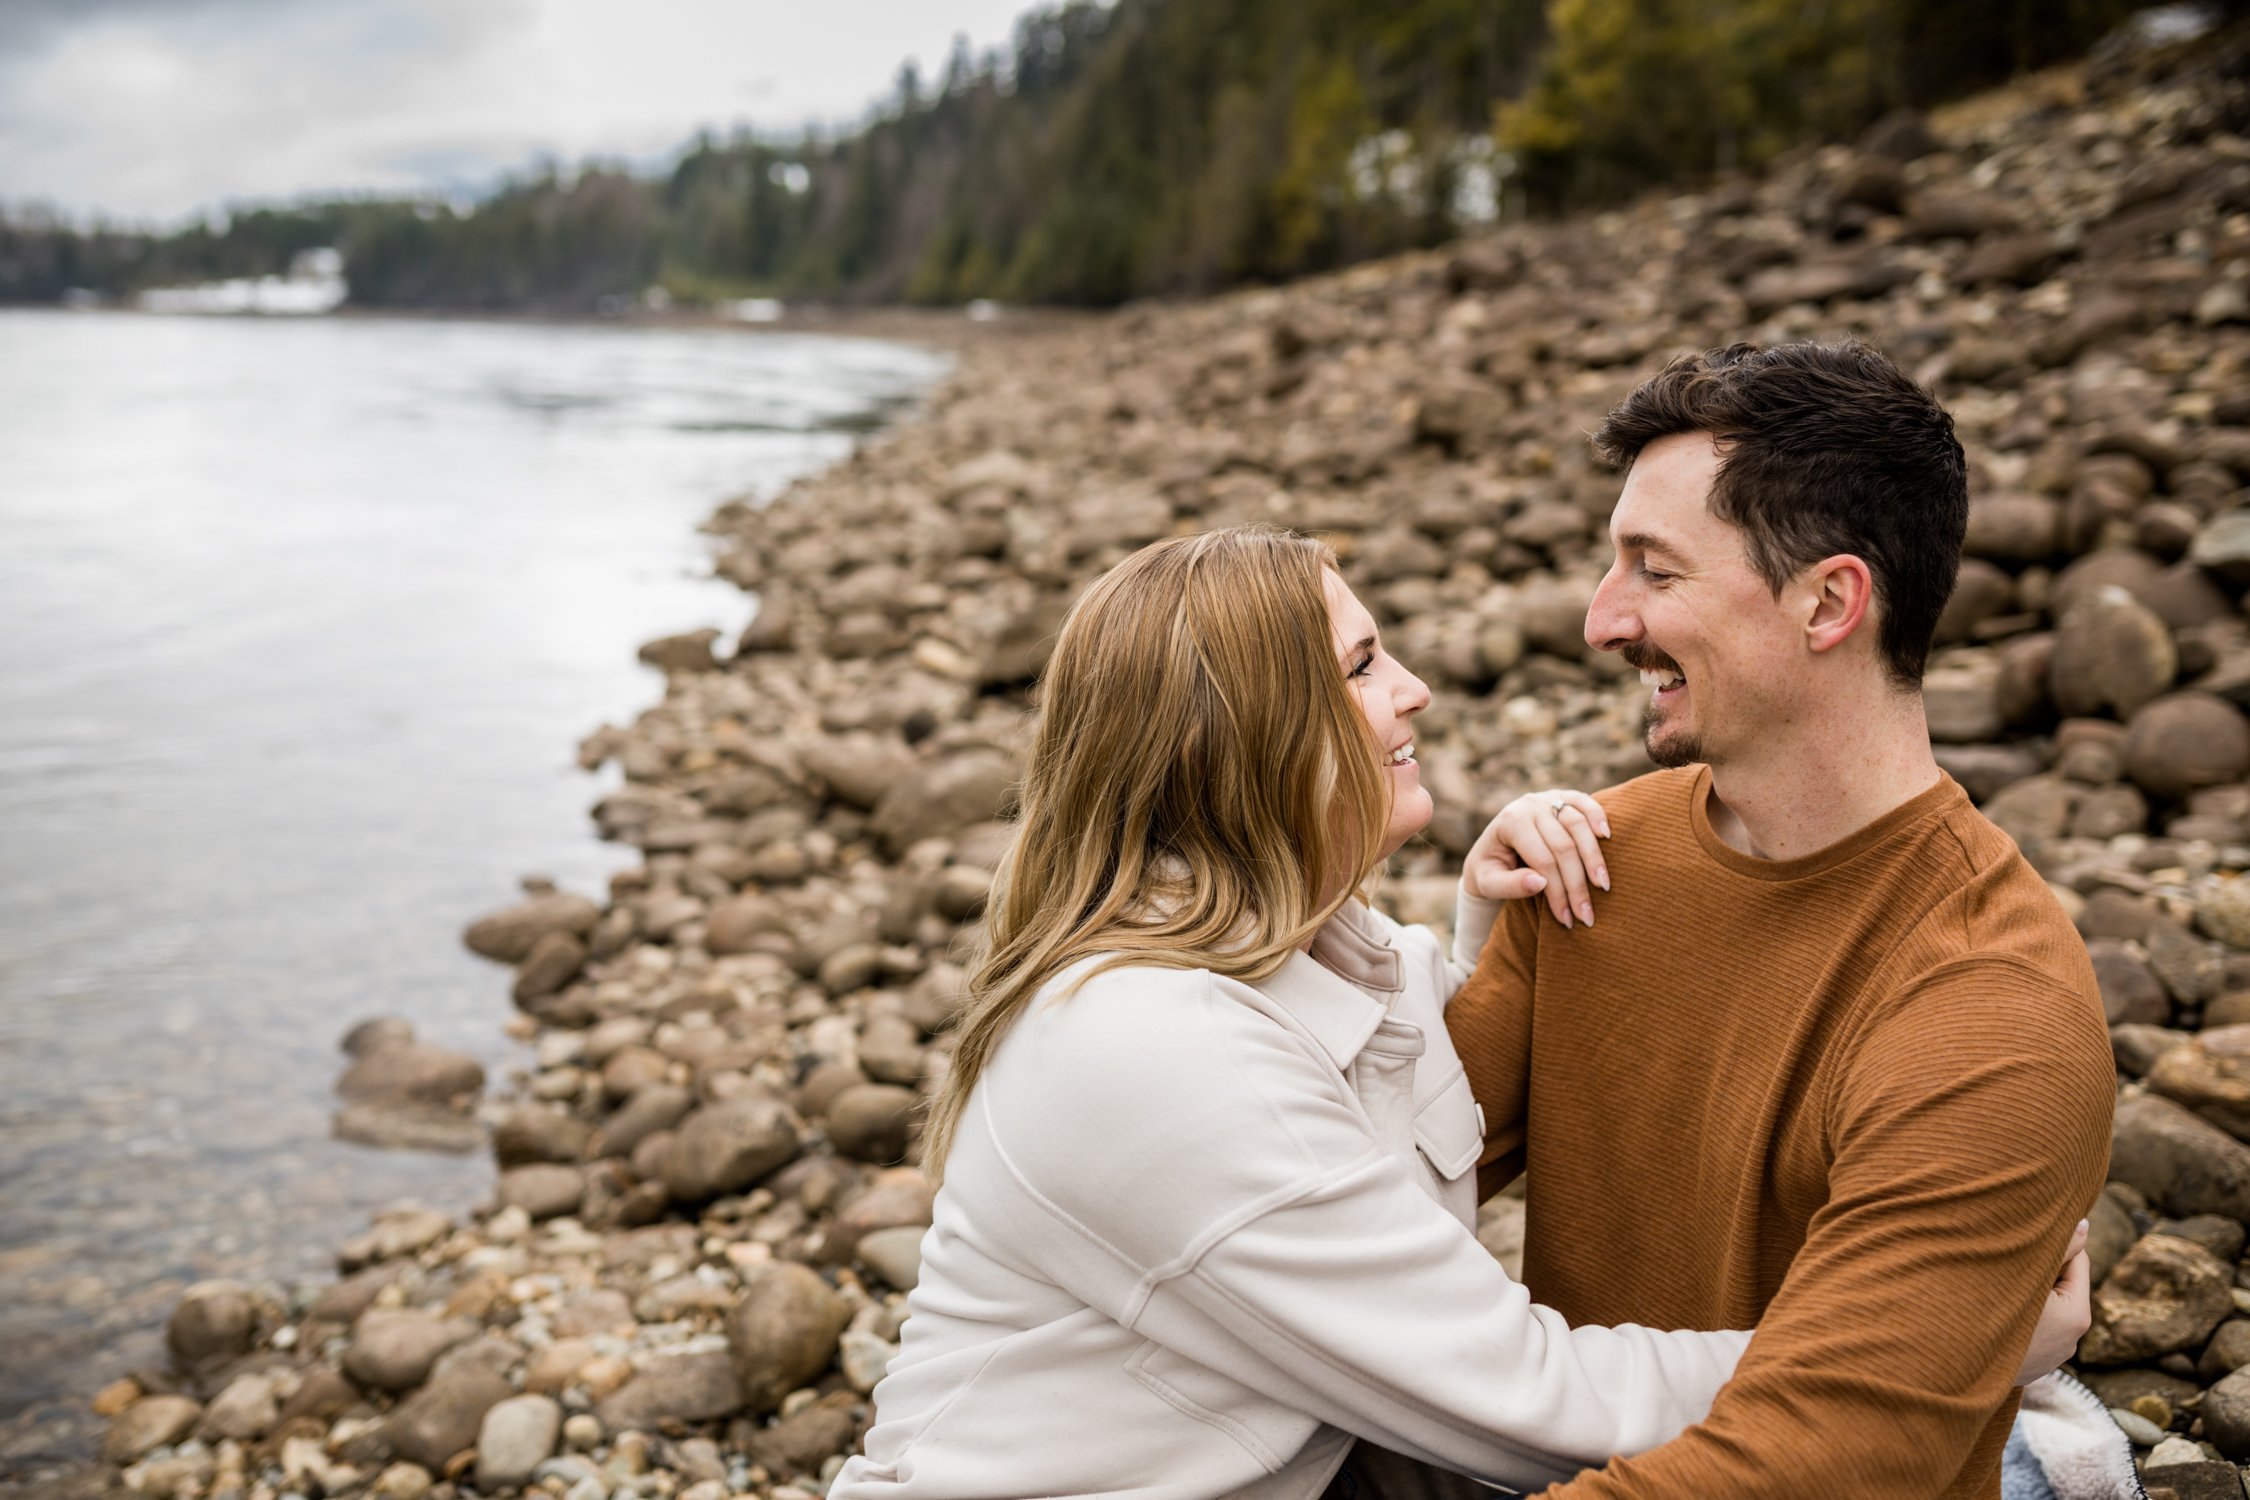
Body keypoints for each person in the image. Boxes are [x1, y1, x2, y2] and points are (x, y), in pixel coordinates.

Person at [829, 523, 2087, 1500]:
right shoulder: (1144, 1045)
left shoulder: (1314, 954)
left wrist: (1510, 938)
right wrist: (1939, 1352)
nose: (1418, 690)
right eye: (1366, 666)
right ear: (1250, 734)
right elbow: (1518, 1394)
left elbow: (1425, 1132)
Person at [1442, 341, 2116, 1500]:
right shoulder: (1590, 862)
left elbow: (1821, 1461)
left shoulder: (1994, 1008)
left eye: (1655, 572)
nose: (1604, 623)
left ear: (1829, 602)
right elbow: (1358, 1190)